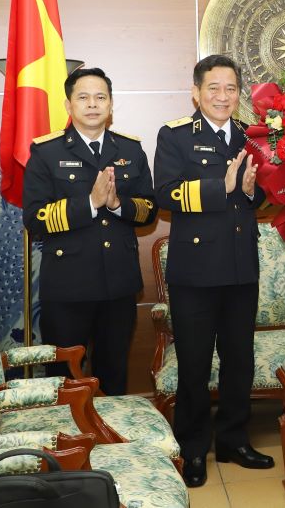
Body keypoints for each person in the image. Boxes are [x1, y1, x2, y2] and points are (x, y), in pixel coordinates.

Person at [153, 54, 269, 487]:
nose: (223, 96)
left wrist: (251, 192)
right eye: (214, 88)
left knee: (240, 360)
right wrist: (220, 187)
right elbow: (165, 194)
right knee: (195, 364)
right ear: (196, 93)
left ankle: (235, 440)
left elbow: (261, 196)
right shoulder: (176, 135)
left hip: (240, 267)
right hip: (196, 272)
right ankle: (193, 448)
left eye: (231, 89)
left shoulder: (249, 136)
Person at [23, 67, 155, 396]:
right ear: (68, 105)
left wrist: (117, 205)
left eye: (100, 97)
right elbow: (35, 218)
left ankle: (112, 430)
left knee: (114, 373)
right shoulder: (47, 152)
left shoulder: (130, 150)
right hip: (67, 286)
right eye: (83, 97)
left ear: (110, 105)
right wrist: (90, 204)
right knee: (65, 380)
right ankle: (69, 432)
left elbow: (149, 209)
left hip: (119, 284)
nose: (92, 104)